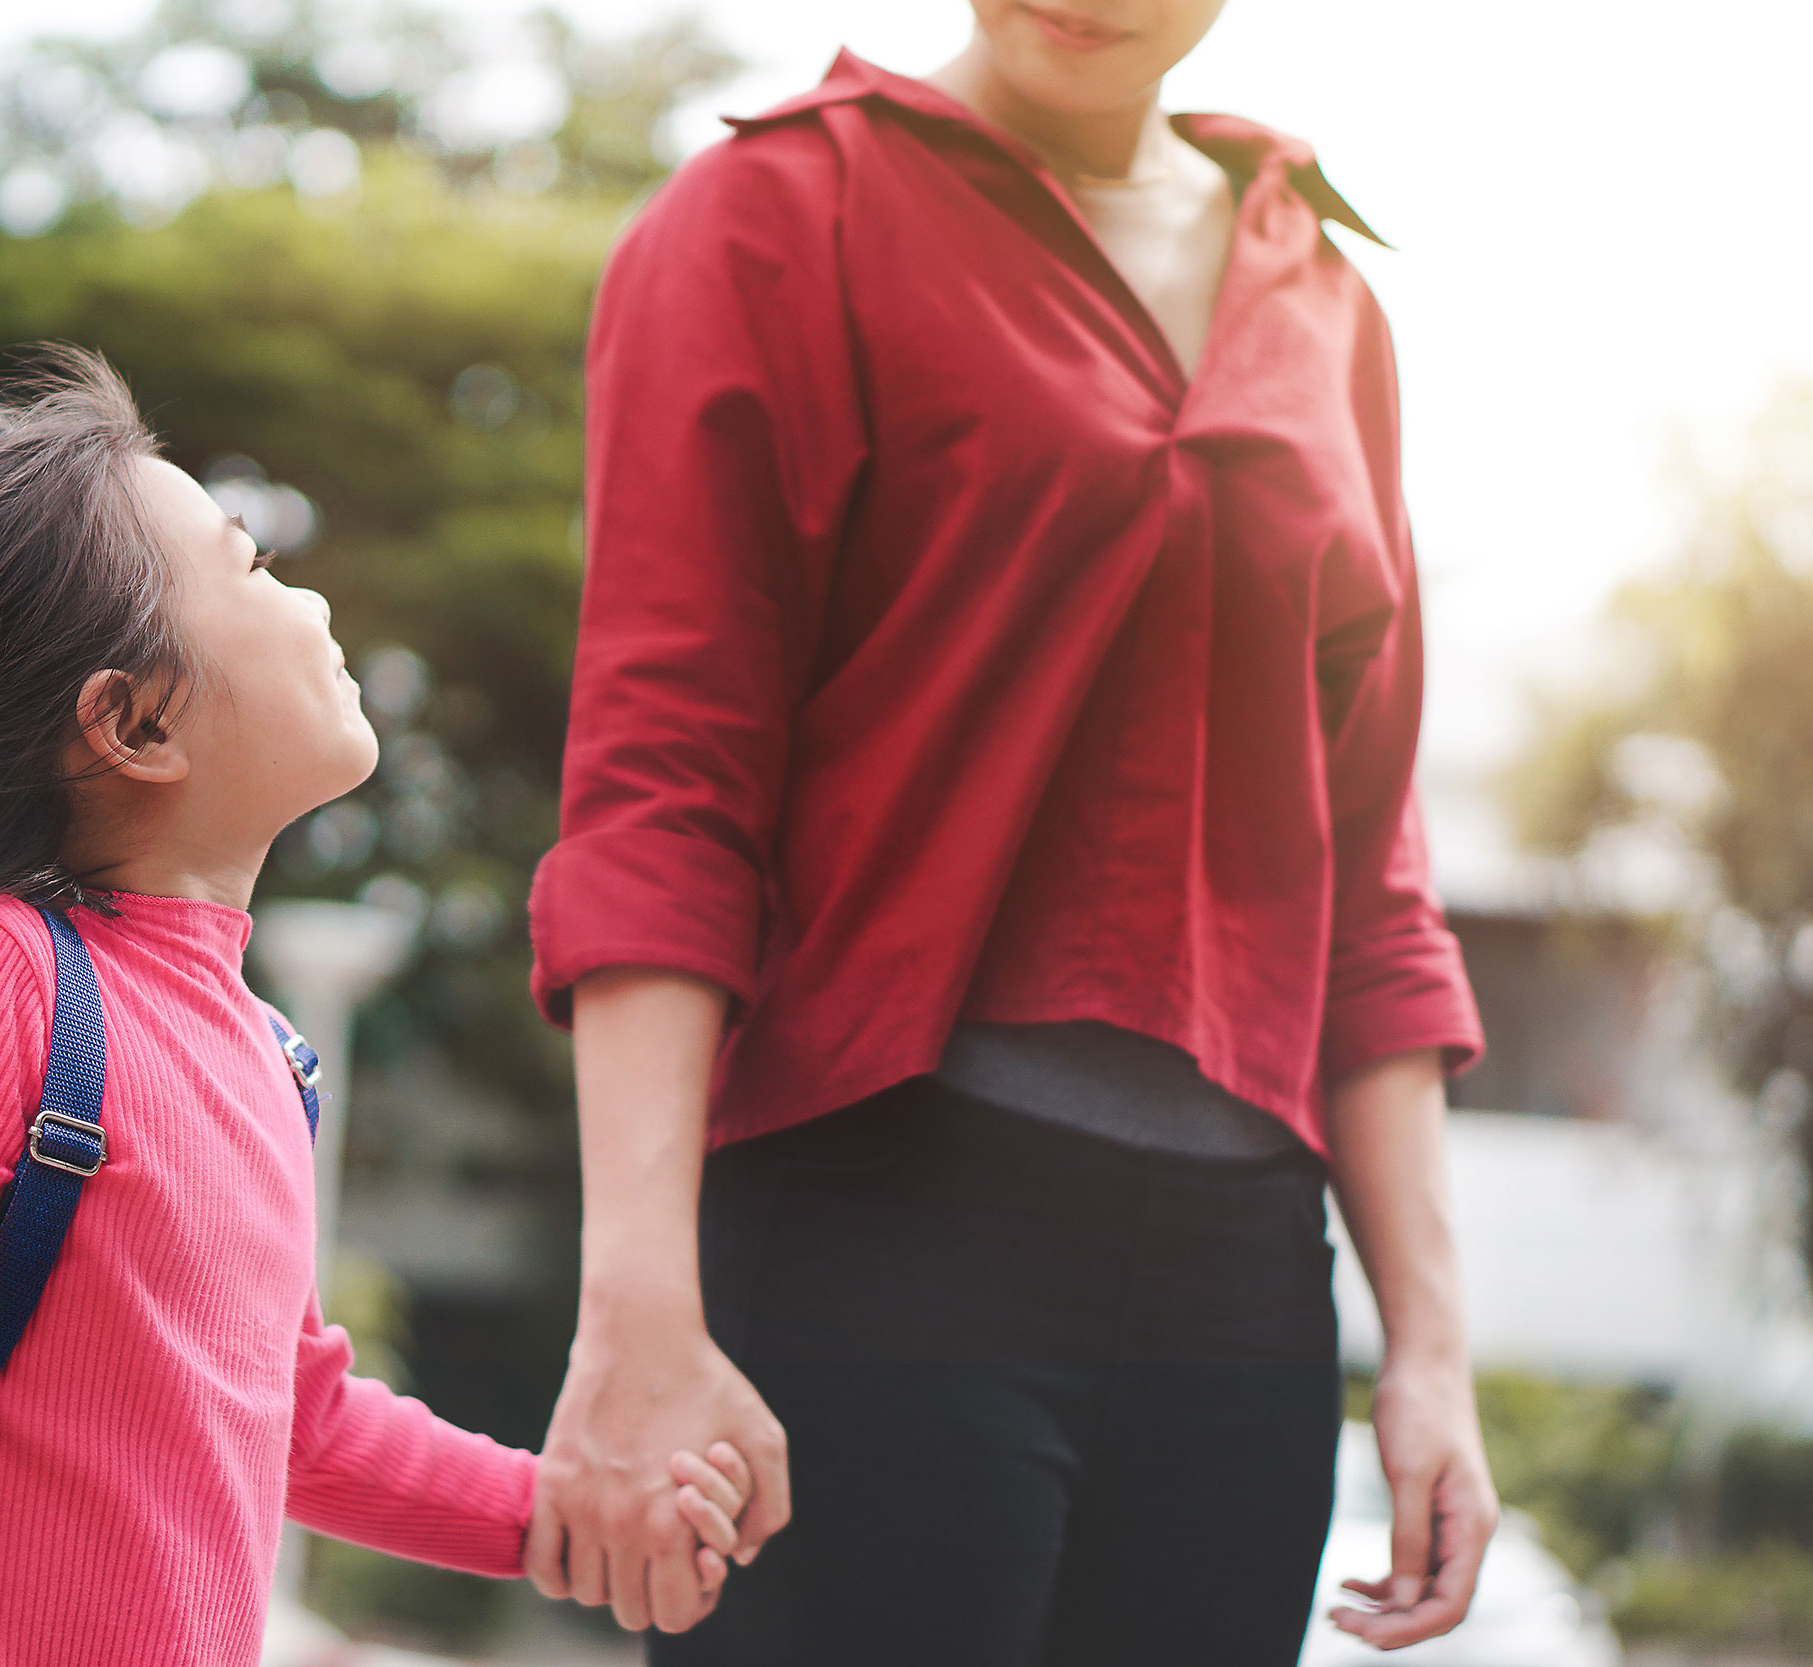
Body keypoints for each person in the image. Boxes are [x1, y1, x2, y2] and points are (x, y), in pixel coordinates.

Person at [522, 3, 1500, 1660]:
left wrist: (1432, 1349)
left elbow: (1372, 878)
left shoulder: (1329, 302)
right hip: (867, 1238)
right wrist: (634, 1303)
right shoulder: (773, 219)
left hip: (1243, 1293)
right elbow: (662, 784)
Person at [0, 352, 750, 1667]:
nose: (308, 599)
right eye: (253, 567)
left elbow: (301, 1419)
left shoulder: (263, 1051)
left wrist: (565, 1516)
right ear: (133, 724)